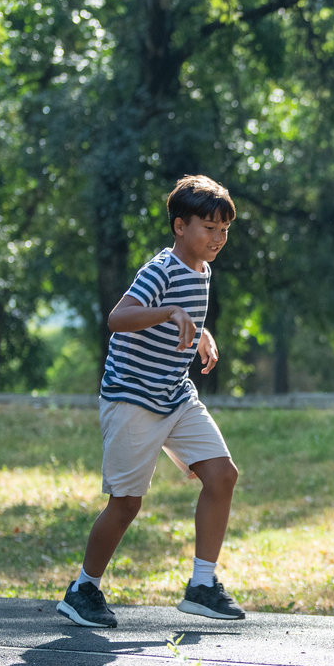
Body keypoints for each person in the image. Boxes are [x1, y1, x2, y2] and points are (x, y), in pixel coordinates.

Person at [56, 174, 246, 628]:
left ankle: (202, 585)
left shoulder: (202, 270)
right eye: (209, 228)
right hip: (132, 398)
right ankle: (83, 589)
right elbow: (118, 317)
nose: (218, 238)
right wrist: (170, 313)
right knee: (126, 503)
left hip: (175, 394)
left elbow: (183, 312)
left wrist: (200, 333)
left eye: (224, 230)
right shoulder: (160, 269)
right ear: (180, 226)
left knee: (222, 475)